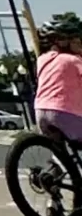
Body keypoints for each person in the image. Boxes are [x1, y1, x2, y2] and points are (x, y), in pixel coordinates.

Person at [35, 15, 82, 143]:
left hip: (40, 111)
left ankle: (57, 162)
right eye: (76, 41)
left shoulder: (42, 60)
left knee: (58, 148)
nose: (80, 44)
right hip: (65, 113)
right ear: (63, 42)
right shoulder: (74, 60)